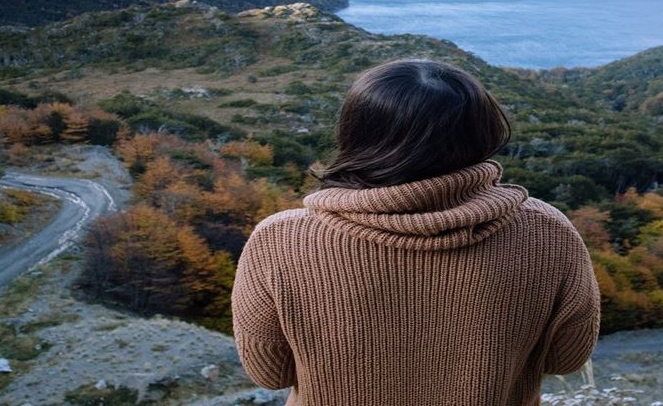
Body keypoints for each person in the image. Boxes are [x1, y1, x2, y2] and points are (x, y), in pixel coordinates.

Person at [232, 59, 600, 406]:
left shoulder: (279, 239)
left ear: (354, 134)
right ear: (483, 133)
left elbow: (269, 373)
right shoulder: (548, 232)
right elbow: (565, 359)